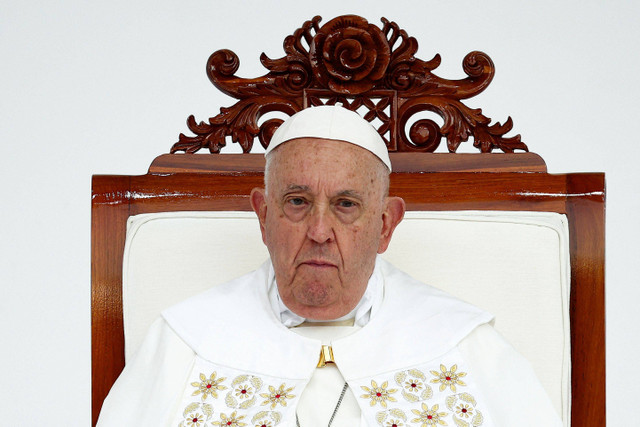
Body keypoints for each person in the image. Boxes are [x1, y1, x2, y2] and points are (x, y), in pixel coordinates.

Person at [97, 106, 562, 426]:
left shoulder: (463, 343)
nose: (319, 230)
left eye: (345, 204)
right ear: (263, 216)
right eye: (297, 202)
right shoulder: (186, 341)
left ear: (384, 225)